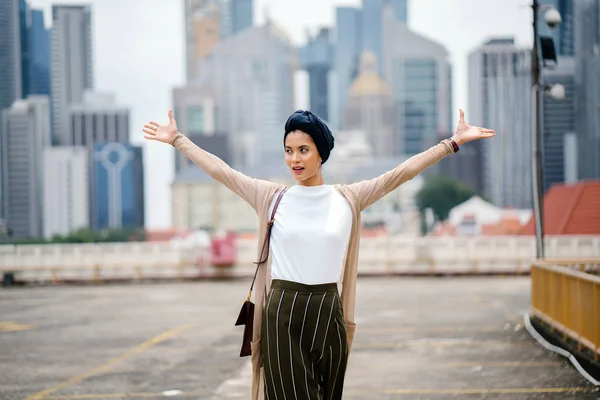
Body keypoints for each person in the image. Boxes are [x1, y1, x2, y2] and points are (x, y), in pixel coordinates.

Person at [142, 109, 495, 400]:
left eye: (303, 150)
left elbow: (400, 174)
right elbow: (221, 171)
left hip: (329, 312)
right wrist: (177, 139)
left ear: (321, 153)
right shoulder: (271, 196)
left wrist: (451, 143)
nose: (294, 159)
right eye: (289, 150)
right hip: (283, 311)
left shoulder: (348, 197)